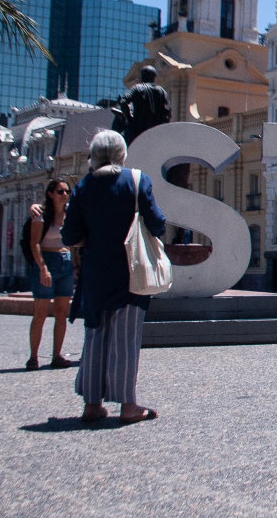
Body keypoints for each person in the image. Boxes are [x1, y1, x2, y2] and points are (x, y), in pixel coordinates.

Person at [62, 130, 167, 424]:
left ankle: (92, 404)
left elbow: (69, 234)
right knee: (126, 337)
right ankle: (128, 406)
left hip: (95, 271)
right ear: (122, 154)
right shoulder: (136, 180)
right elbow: (157, 223)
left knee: (95, 334)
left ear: (94, 156)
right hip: (130, 270)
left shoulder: (83, 187)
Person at [25, 179, 75, 371]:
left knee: (61, 313)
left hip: (66, 263)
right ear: (50, 194)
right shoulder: (41, 214)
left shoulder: (70, 213)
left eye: (67, 191)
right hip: (46, 262)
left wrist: (75, 265)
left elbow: (72, 240)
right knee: (40, 313)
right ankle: (33, 357)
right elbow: (34, 243)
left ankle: (56, 356)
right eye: (60, 191)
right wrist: (43, 267)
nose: (65, 194)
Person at [119, 66, 171, 147]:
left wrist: (129, 118)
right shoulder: (163, 92)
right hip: (156, 136)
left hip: (137, 133)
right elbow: (168, 113)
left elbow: (123, 101)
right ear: (154, 77)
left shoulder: (137, 88)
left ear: (142, 76)